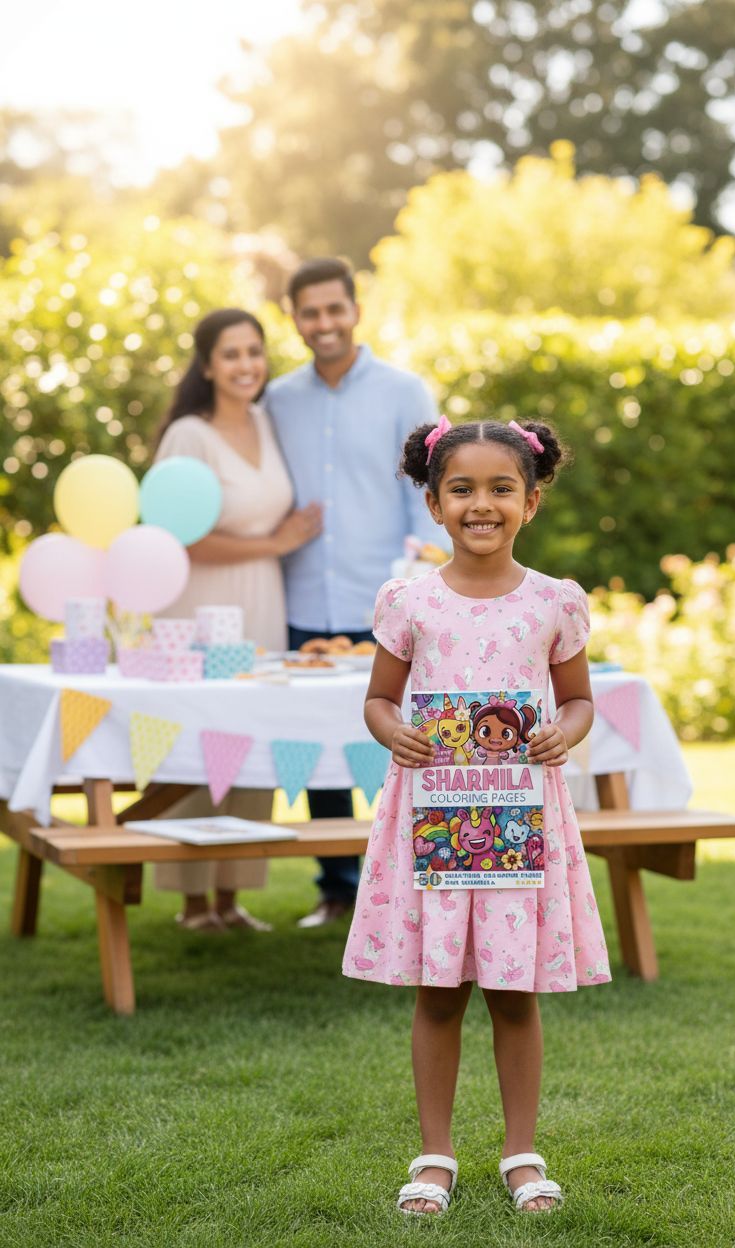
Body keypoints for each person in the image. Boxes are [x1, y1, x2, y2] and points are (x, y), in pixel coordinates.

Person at [342, 416, 611, 1215]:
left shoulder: (552, 604)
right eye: (462, 489)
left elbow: (580, 700)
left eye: (500, 489)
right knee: (437, 990)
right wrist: (397, 733)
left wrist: (565, 731)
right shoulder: (411, 601)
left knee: (512, 990)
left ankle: (521, 1154)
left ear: (531, 501)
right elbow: (380, 699)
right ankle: (435, 1156)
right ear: (433, 503)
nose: (481, 504)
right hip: (434, 819)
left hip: (519, 825)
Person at [265, 258, 439, 928]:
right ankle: (339, 889)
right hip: (305, 600)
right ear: (296, 320)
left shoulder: (403, 390)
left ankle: (412, 888)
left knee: (407, 744)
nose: (324, 323)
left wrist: (422, 584)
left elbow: (427, 493)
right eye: (310, 313)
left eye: (334, 309)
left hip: (390, 603)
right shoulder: (278, 399)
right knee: (319, 749)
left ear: (355, 311)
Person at [152, 308, 322, 931]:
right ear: (206, 365)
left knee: (248, 738)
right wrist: (273, 545)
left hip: (261, 601)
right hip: (200, 602)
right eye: (231, 354)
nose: (246, 364)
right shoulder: (189, 436)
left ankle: (231, 895)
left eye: (254, 351)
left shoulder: (266, 421)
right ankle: (192, 901)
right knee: (200, 743)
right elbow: (178, 537)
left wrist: (277, 549)